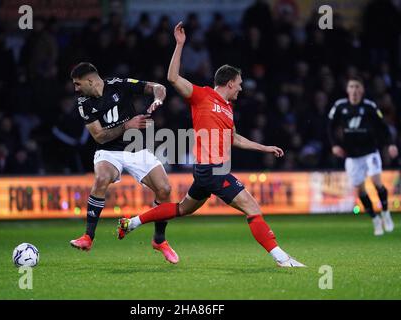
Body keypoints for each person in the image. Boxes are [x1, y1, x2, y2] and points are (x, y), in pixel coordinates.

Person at [117, 22, 305, 267]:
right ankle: (282, 258)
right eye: (239, 83)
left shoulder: (228, 109)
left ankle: (130, 223)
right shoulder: (202, 95)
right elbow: (172, 77)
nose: (240, 88)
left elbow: (235, 138)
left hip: (209, 170)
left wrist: (264, 147)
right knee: (252, 207)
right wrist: (180, 44)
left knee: (182, 209)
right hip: (213, 169)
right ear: (229, 83)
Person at [69, 62, 179, 264]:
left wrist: (157, 100)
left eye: (78, 84)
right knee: (101, 178)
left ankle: (159, 241)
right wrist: (126, 125)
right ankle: (88, 237)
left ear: (90, 81)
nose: (76, 89)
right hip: (108, 151)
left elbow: (159, 88)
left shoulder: (118, 84)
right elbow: (100, 137)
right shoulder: (83, 102)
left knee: (164, 189)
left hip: (135, 148)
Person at [328, 77, 398, 236]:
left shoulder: (369, 106)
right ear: (347, 90)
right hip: (352, 156)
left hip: (370, 152)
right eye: (351, 86)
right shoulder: (340, 106)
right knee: (360, 191)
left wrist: (391, 144)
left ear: (362, 90)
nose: (353, 90)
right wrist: (334, 145)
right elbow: (330, 126)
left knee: (376, 182)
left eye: (356, 87)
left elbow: (383, 127)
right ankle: (375, 219)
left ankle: (386, 213)